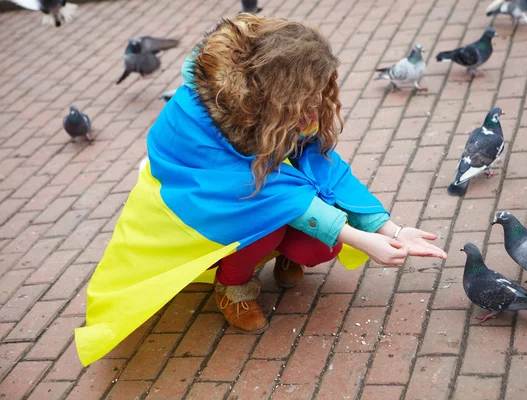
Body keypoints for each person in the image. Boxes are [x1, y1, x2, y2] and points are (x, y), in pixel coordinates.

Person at [74, 14, 446, 367]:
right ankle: (232, 286)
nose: (319, 101)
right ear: (283, 85)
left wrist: (388, 229)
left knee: (323, 244)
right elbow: (262, 193)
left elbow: (323, 167)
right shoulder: (197, 114)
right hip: (200, 206)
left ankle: (283, 250)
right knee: (264, 220)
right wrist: (365, 241)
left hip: (265, 195)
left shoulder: (287, 102)